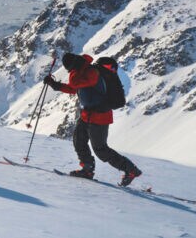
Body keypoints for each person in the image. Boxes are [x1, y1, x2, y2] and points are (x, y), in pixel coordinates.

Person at [45, 52, 142, 186]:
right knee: (79, 140)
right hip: (87, 115)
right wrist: (55, 85)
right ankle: (87, 169)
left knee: (100, 149)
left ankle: (130, 169)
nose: (70, 71)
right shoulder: (82, 71)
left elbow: (74, 83)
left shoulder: (91, 72)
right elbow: (75, 88)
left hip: (100, 117)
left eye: (70, 69)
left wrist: (73, 71)